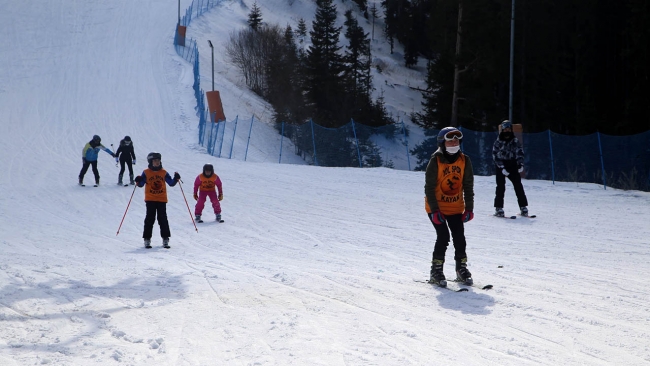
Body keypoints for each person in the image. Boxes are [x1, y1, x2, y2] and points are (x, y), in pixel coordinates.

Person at [424, 127, 475, 287]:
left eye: (456, 139)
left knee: (459, 238)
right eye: (450, 139)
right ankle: (436, 271)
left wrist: (469, 208)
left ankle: (461, 269)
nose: (454, 142)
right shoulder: (436, 160)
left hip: (455, 207)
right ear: (442, 142)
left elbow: (468, 185)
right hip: (436, 207)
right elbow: (429, 187)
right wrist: (434, 210)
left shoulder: (464, 160)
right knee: (444, 237)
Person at [134, 152, 181, 249]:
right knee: (150, 219)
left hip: (161, 199)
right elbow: (141, 184)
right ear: (150, 162)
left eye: (158, 160)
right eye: (155, 161)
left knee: (162, 219)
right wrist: (138, 180)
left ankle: (165, 238)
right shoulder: (146, 172)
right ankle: (147, 239)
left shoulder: (163, 172)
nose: (157, 162)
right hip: (150, 199)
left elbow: (171, 183)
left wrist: (176, 179)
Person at [492, 120, 529, 217]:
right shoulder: (498, 141)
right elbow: (495, 155)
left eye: (508, 129)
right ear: (502, 130)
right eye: (505, 129)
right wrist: (501, 167)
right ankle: (499, 208)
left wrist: (520, 164)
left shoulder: (515, 140)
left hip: (512, 164)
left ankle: (523, 207)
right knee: (500, 186)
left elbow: (519, 152)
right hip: (501, 164)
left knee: (518, 185)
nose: (507, 131)